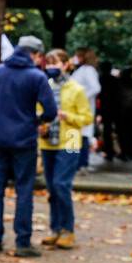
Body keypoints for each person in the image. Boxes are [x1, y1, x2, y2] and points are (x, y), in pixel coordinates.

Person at [0, 34, 57, 257]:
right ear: (35, 55)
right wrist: (35, 120)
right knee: (24, 190)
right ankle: (22, 242)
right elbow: (51, 111)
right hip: (24, 140)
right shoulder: (37, 77)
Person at [38, 50, 92, 249]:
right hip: (47, 140)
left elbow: (86, 118)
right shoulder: (45, 86)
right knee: (52, 187)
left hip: (69, 140)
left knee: (62, 184)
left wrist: (68, 117)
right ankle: (55, 229)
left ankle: (68, 229)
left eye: (56, 63)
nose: (52, 67)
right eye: (49, 63)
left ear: (66, 64)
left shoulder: (77, 89)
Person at [71, 47, 102, 171]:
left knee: (83, 135)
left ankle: (81, 163)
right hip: (76, 109)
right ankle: (75, 162)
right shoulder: (82, 70)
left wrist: (80, 98)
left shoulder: (88, 70)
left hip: (82, 109)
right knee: (75, 134)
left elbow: (95, 88)